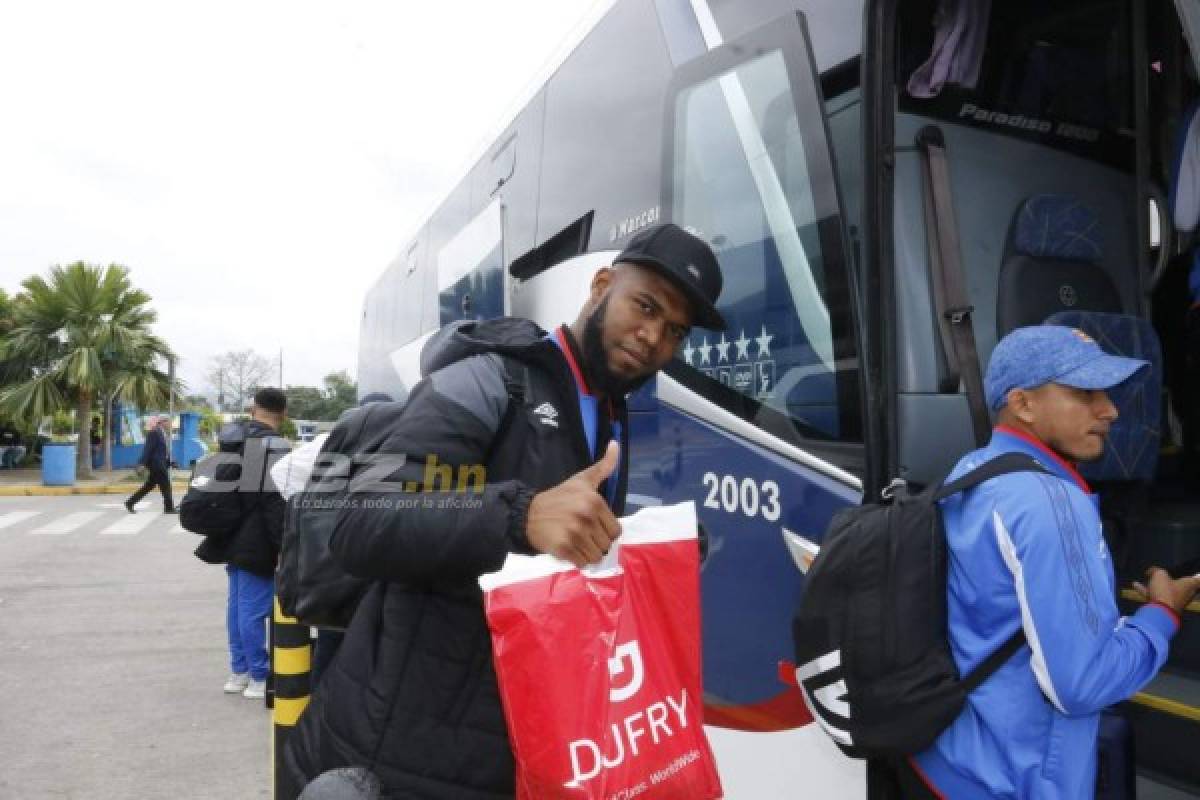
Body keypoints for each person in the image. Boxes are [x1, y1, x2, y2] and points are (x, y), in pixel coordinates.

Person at [283, 223, 726, 797]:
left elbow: (549, 558)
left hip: (508, 745)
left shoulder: (608, 408)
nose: (651, 337)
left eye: (674, 331)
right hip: (395, 753)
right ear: (600, 286)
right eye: (644, 306)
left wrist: (637, 549)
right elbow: (363, 521)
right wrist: (519, 517)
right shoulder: (490, 378)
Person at [902, 326, 1200, 798]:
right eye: (1085, 392)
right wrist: (1162, 616)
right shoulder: (1050, 502)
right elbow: (1080, 685)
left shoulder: (972, 470)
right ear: (1022, 404)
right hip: (1016, 781)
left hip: (953, 757)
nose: (1110, 410)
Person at [194, 388, 290, 700]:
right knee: (252, 610)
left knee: (237, 607)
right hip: (258, 539)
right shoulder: (274, 446)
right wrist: (284, 546)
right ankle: (259, 677)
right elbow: (275, 504)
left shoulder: (235, 440)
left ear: (253, 409)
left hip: (231, 534)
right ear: (283, 414)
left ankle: (239, 672)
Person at [125, 416, 175, 513]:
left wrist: (170, 462)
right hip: (157, 465)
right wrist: (141, 464)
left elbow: (162, 451)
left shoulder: (162, 433)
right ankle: (169, 508)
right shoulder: (154, 432)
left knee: (149, 486)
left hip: (161, 464)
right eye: (168, 422)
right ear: (162, 422)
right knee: (166, 486)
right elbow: (148, 449)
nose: (170, 424)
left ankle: (130, 502)